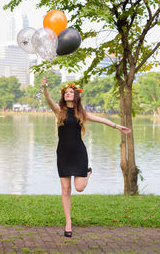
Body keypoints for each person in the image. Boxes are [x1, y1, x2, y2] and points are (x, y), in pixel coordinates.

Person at [41, 77, 131, 237]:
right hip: (63, 154)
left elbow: (101, 120)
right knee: (65, 189)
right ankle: (68, 222)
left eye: (70, 92)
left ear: (76, 96)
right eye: (65, 92)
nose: (67, 94)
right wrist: (45, 87)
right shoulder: (59, 111)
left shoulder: (82, 113)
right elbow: (48, 98)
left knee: (79, 188)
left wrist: (118, 127)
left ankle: (87, 173)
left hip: (79, 153)